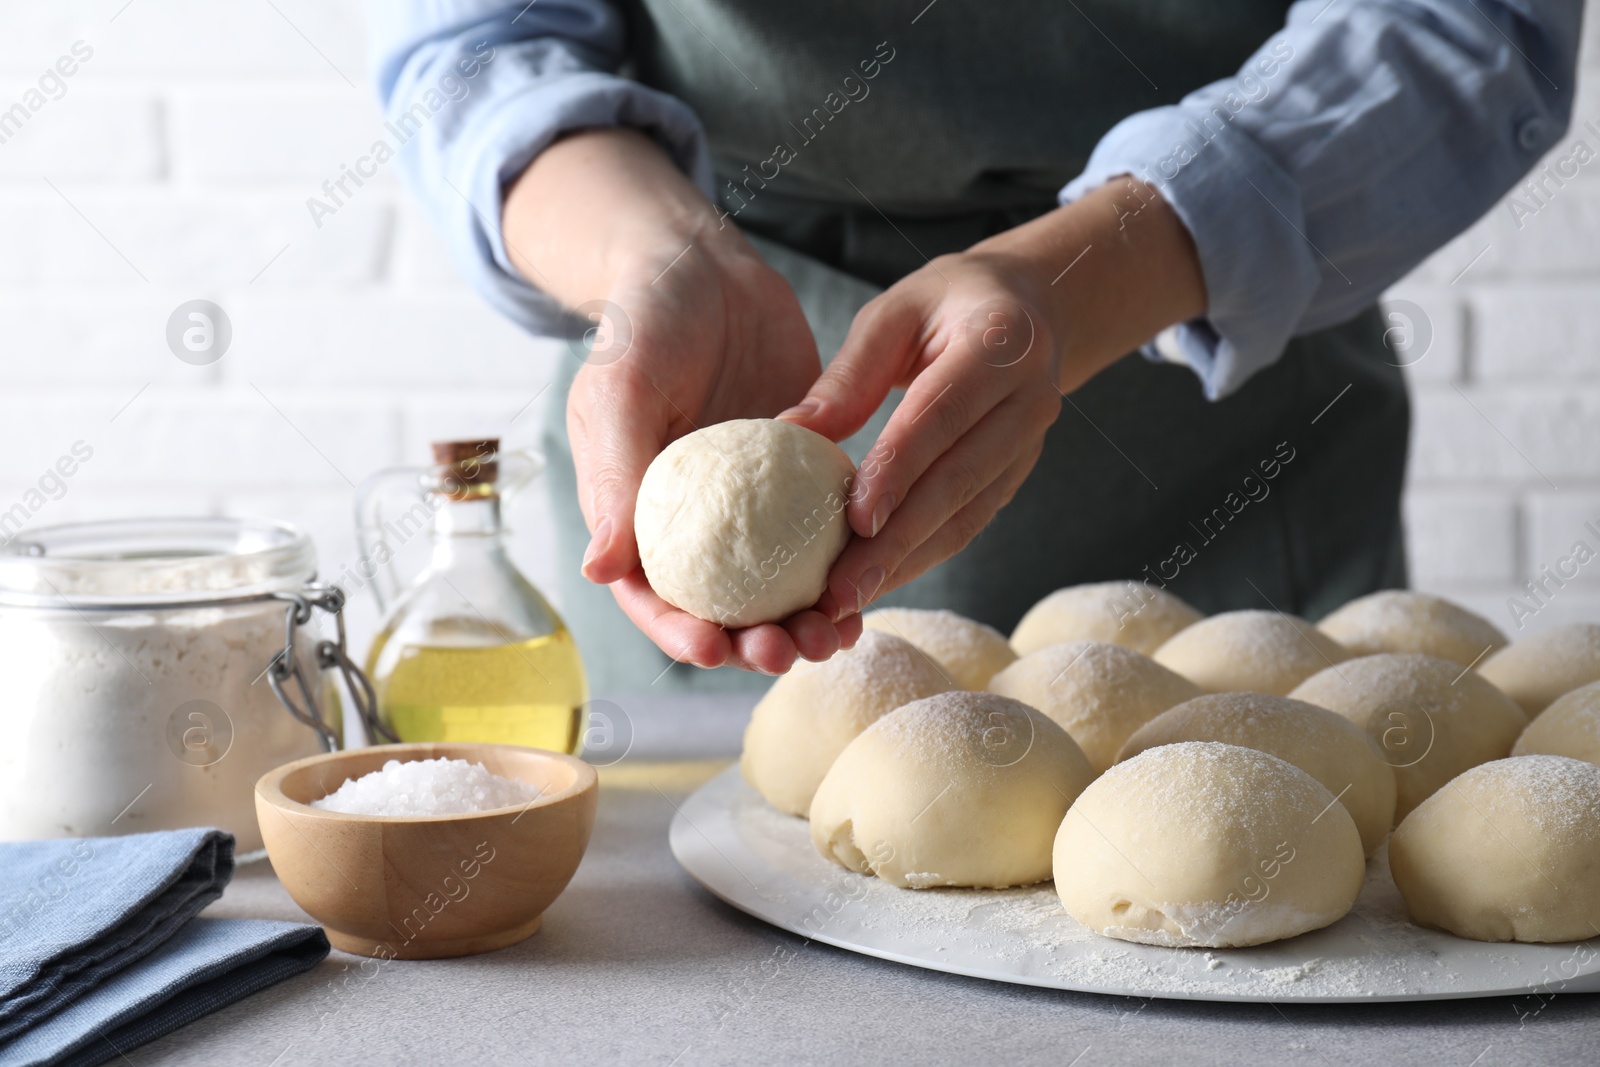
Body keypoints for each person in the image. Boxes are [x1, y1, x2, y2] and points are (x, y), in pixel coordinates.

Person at [368, 0, 1581, 692]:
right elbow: (472, 44)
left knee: (1249, 866)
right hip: (706, 355)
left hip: (1209, 350)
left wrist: (1087, 273)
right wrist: (652, 263)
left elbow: (1463, 24)